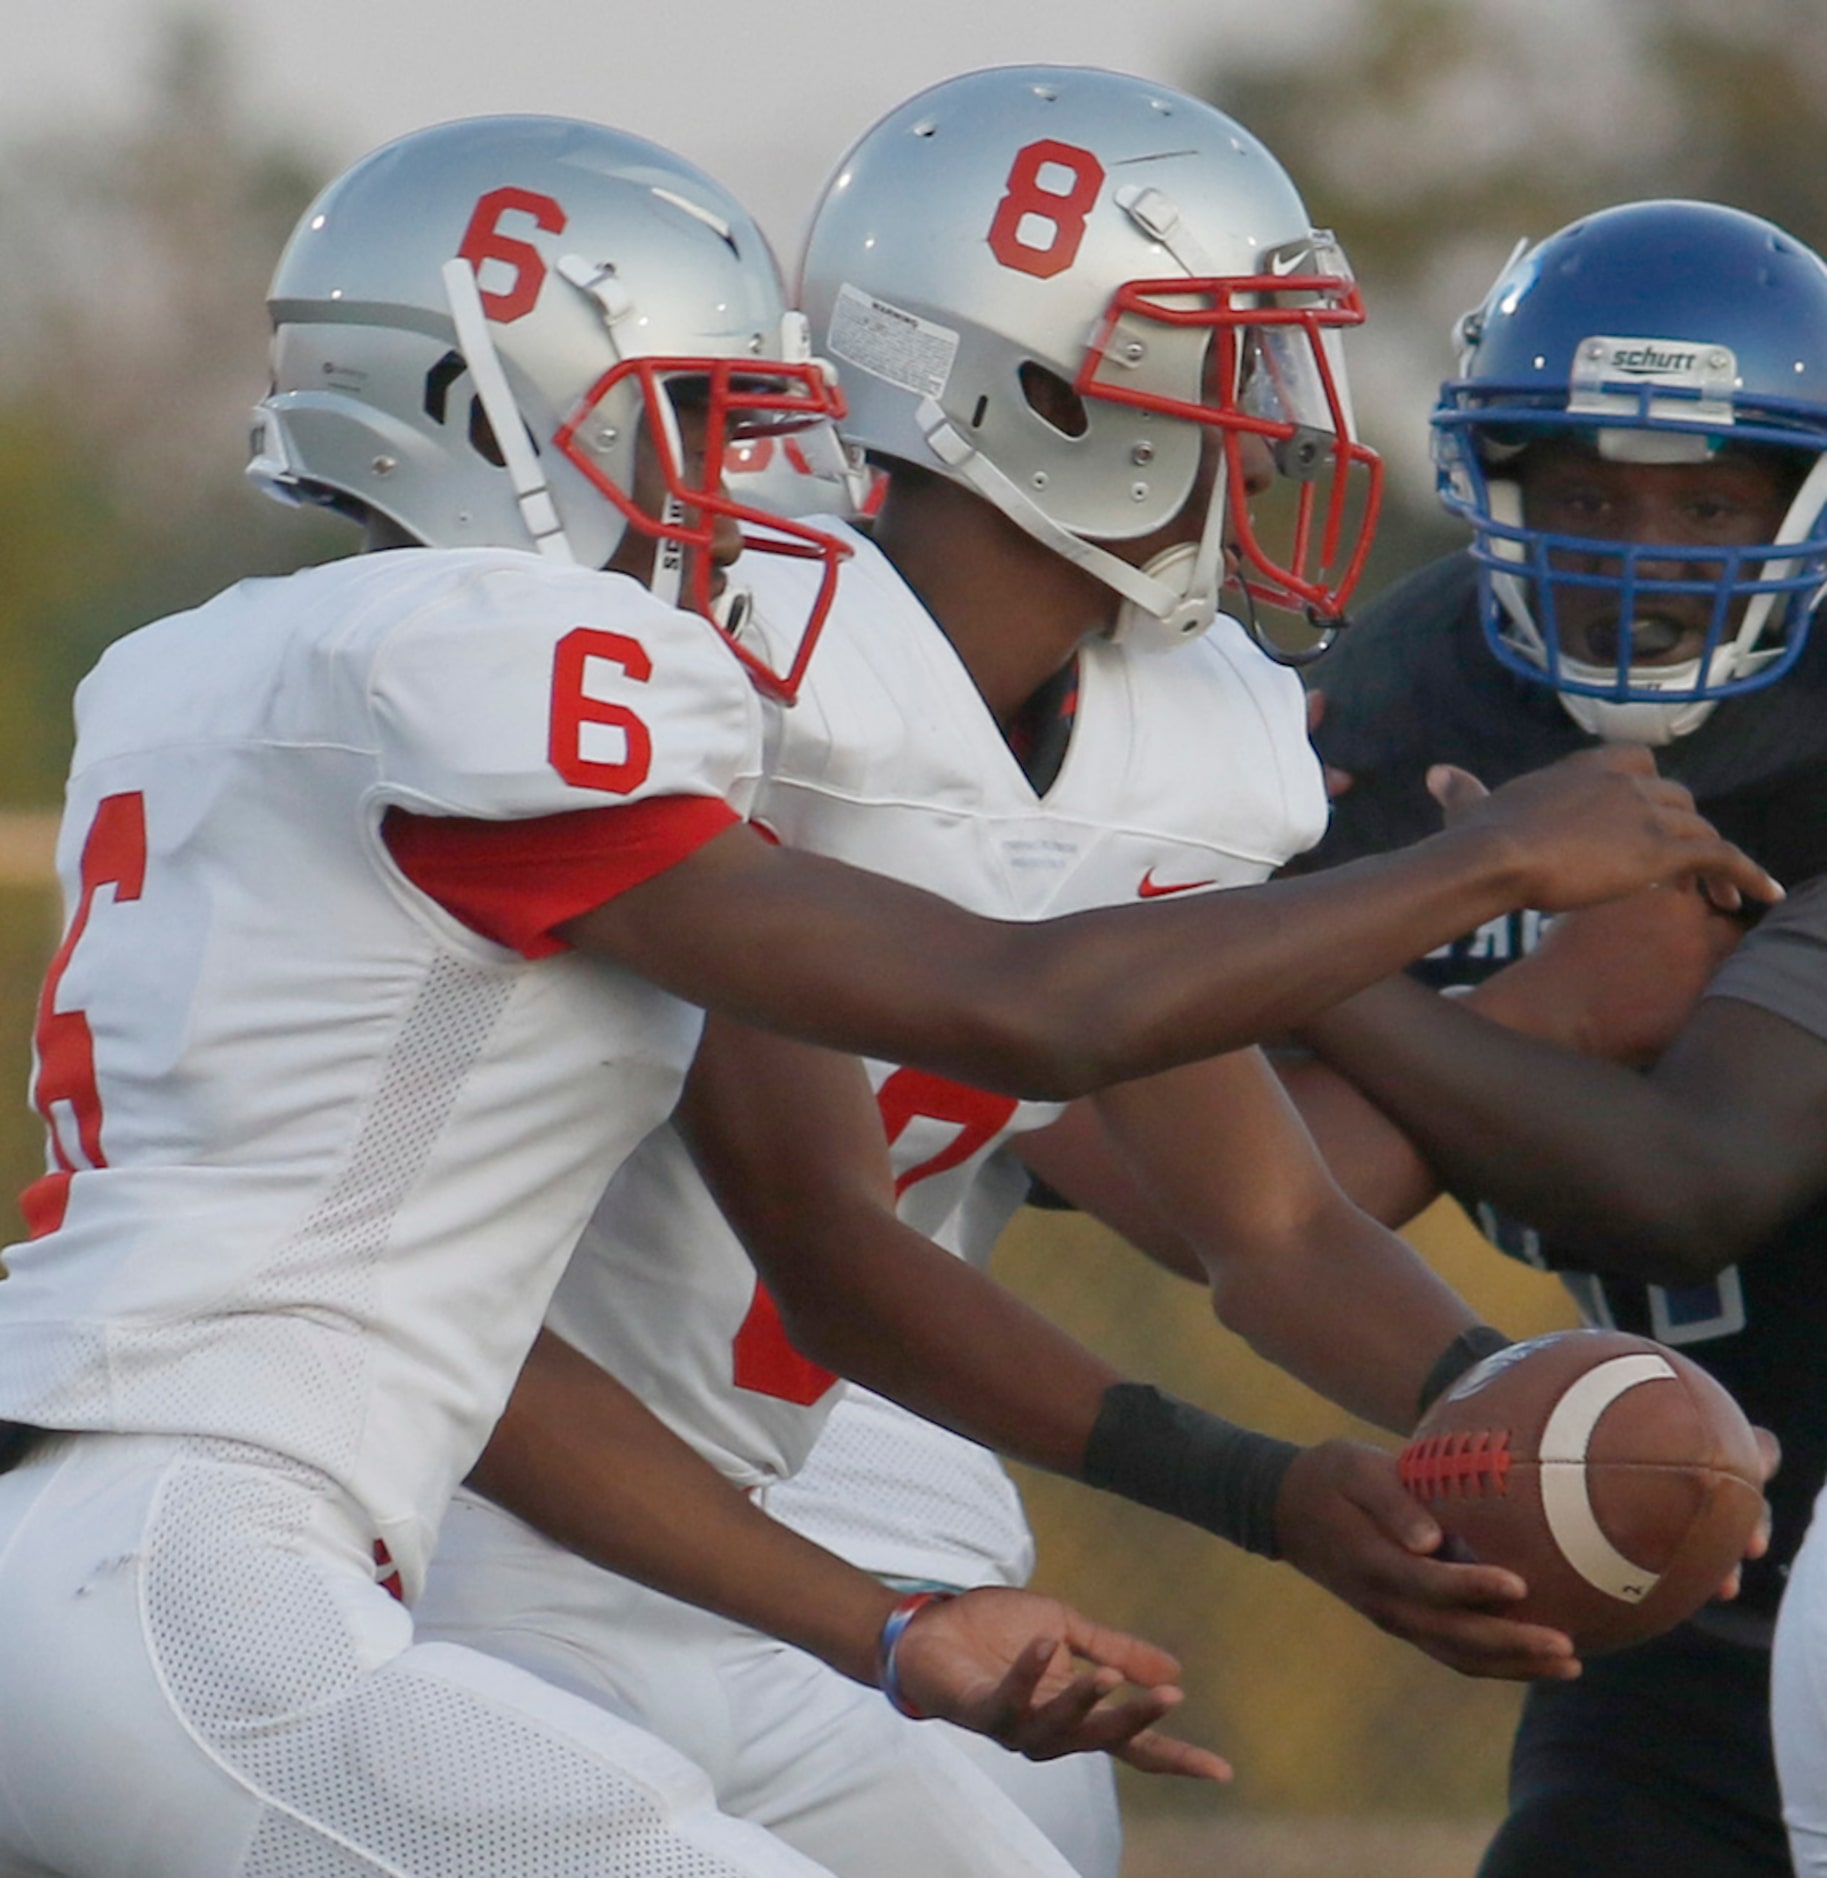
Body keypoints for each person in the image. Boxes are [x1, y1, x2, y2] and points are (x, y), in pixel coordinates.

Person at [0, 108, 1773, 1874]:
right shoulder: (635, 669)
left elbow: (1259, 1211)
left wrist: (1503, 1394)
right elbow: (956, 1090)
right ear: (1039, 393)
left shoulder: (1181, 721)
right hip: (426, 1521)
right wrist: (1478, 877)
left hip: (628, 1495)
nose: (1288, 421)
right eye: (1226, 363)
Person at [1266, 198, 1827, 1878]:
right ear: (1494, 483)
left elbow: (1689, 1182)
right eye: (1586, 494)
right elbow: (1245, 1191)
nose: (1644, 557)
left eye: (1711, 501)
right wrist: (1490, 971)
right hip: (1672, 1586)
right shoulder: (1410, 703)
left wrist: (1276, 948)